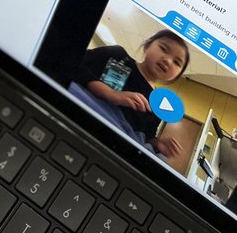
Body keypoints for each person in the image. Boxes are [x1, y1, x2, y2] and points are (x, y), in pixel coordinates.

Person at [77, 29, 189, 157]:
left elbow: (147, 135)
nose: (168, 61)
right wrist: (110, 93)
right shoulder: (119, 56)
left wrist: (157, 144)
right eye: (163, 48)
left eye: (177, 62)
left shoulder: (158, 103)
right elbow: (76, 62)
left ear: (176, 76)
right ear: (147, 46)